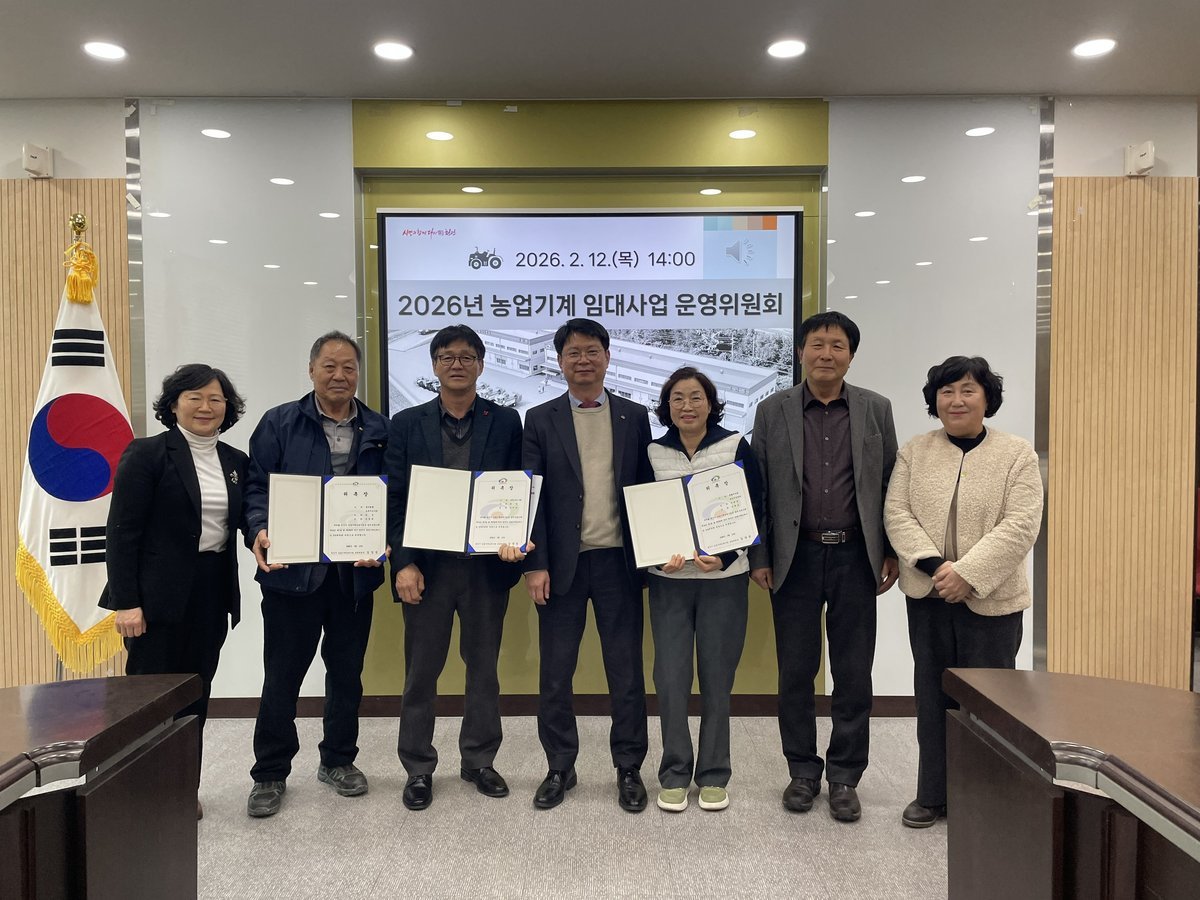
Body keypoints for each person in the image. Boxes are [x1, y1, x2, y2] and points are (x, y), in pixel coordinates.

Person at [751, 310, 898, 823]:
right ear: (800, 352)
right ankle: (801, 771)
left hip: (856, 555)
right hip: (795, 556)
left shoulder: (876, 408)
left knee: (854, 671)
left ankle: (844, 776)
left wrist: (890, 551)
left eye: (837, 345)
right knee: (796, 670)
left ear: (851, 355)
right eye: (817, 344)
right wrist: (760, 554)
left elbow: (890, 484)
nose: (826, 354)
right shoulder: (773, 410)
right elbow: (759, 489)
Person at [884, 356, 1042, 828]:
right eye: (947, 391)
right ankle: (932, 794)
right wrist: (937, 568)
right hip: (929, 596)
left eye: (968, 390)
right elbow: (897, 514)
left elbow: (1021, 524)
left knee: (988, 703)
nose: (957, 400)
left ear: (987, 398)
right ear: (934, 400)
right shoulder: (916, 451)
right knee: (932, 698)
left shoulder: (1017, 453)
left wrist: (968, 573)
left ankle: (988, 800)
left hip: (992, 600)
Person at [243, 331, 389, 818]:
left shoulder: (380, 428)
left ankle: (338, 761)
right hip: (292, 576)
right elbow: (257, 488)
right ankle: (269, 772)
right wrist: (259, 529)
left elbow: (392, 495)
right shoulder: (280, 422)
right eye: (329, 366)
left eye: (349, 367)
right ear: (311, 370)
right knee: (282, 677)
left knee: (347, 676)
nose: (339, 375)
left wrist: (384, 542)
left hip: (353, 578)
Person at [385, 325, 525, 810]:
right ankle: (418, 767)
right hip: (427, 569)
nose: (457, 364)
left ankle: (479, 760)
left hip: (485, 568)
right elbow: (396, 497)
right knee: (421, 672)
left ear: (481, 365)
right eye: (447, 357)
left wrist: (514, 538)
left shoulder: (505, 421)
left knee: (483, 669)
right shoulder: (407, 423)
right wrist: (403, 562)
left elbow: (516, 488)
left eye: (467, 357)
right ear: (434, 365)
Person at [101, 364, 248, 821]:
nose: (206, 407)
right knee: (148, 700)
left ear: (227, 408)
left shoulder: (235, 462)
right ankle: (140, 795)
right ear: (174, 404)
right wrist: (126, 601)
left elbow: (247, 522)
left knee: (195, 696)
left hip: (211, 593)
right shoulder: (147, 454)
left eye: (216, 399)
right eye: (195, 397)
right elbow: (121, 532)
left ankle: (184, 787)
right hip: (155, 598)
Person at [522, 318, 653, 812]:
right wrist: (535, 563)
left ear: (607, 357)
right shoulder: (539, 418)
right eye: (573, 352)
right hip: (561, 567)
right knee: (556, 673)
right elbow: (531, 495)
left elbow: (646, 488)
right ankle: (560, 765)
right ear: (559, 361)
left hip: (619, 564)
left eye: (592, 351)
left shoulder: (634, 416)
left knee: (626, 673)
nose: (583, 360)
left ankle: (629, 767)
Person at [644, 367, 766, 813]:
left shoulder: (735, 446)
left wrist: (729, 556)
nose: (687, 406)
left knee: (717, 679)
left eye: (696, 397)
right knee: (671, 679)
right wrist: (657, 557)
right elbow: (639, 512)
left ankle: (714, 774)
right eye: (677, 398)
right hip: (669, 583)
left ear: (711, 403)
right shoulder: (653, 452)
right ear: (667, 406)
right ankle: (675, 772)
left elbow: (756, 508)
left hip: (723, 583)